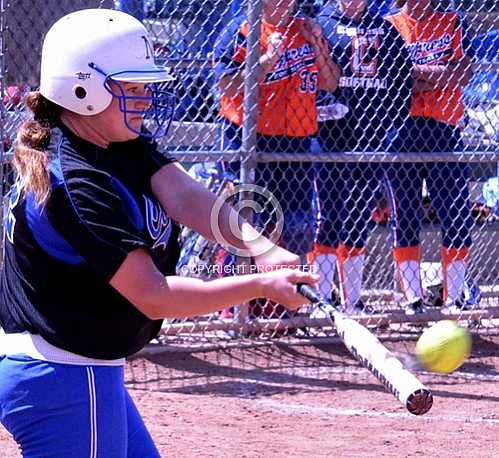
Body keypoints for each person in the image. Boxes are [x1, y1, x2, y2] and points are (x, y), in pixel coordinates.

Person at [0, 9, 319, 457]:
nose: (145, 99)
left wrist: (261, 248)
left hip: (81, 368)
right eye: (131, 87)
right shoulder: (77, 180)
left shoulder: (114, 141)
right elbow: (153, 294)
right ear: (81, 89)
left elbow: (184, 196)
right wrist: (259, 285)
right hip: (64, 376)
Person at [213, 0, 339, 321]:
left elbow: (330, 82)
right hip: (248, 137)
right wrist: (266, 60)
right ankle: (235, 308)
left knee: (295, 226)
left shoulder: (304, 31)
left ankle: (283, 306)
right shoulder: (240, 32)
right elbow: (226, 84)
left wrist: (318, 47)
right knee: (245, 225)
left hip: (296, 140)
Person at [307, 0, 412, 314]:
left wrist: (387, 126)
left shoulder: (385, 30)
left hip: (371, 137)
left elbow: (402, 84)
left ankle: (352, 300)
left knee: (356, 220)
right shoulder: (321, 23)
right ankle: (321, 299)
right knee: (326, 217)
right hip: (328, 137)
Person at [385, 0, 474, 314]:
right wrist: (439, 74)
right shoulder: (390, 24)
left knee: (457, 214)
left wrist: (414, 76)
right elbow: (392, 83)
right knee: (404, 216)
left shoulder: (451, 21)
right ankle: (413, 298)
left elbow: (463, 73)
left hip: (445, 128)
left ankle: (455, 298)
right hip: (400, 128)